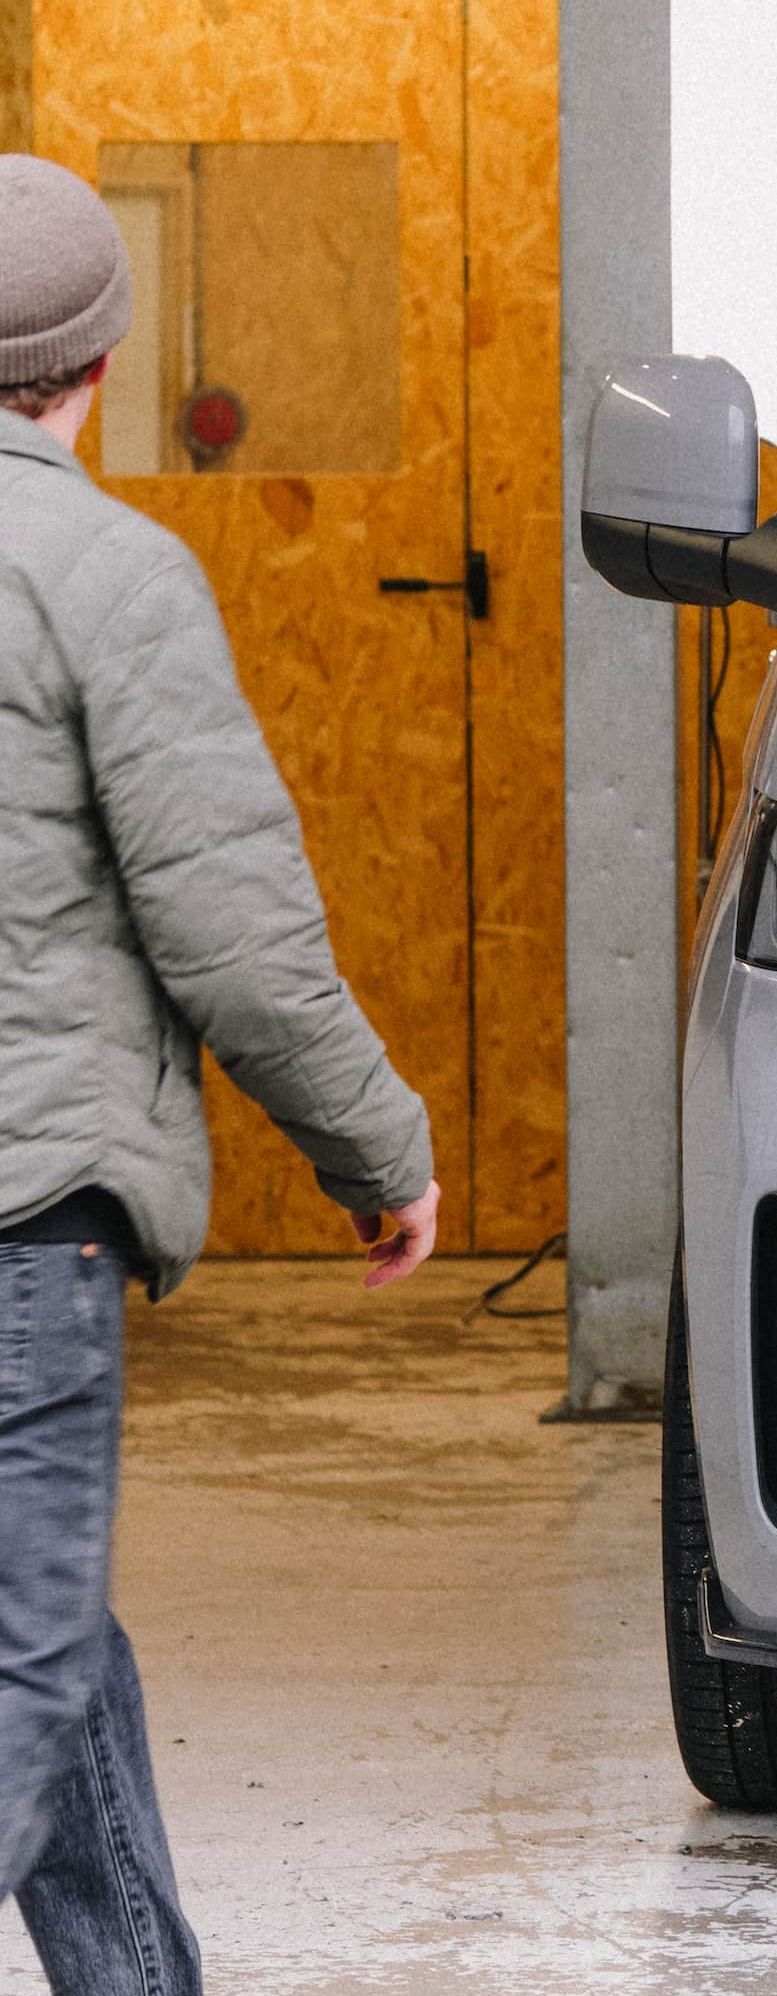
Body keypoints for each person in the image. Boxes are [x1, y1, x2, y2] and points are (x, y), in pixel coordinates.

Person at [0, 155, 438, 1994]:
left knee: (55, 1642)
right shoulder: (109, 572)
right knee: (22, 1660)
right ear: (96, 365)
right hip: (29, 1219)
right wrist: (379, 1150)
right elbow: (232, 931)